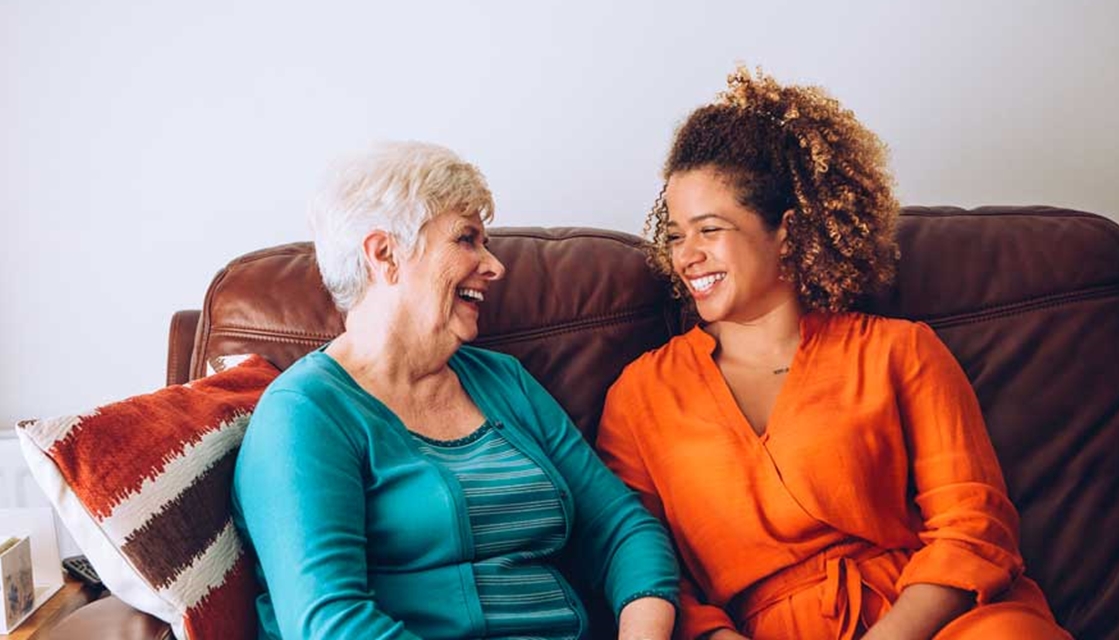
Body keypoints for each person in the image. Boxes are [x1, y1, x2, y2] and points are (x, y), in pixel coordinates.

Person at [596, 68, 1070, 640]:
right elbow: (645, 567)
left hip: (925, 622)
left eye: (710, 230)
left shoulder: (898, 351)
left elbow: (973, 525)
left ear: (787, 233)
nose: (686, 255)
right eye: (675, 235)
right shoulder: (641, 395)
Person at [232, 141, 679, 640]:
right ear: (385, 254)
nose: (495, 266)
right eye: (466, 239)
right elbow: (329, 622)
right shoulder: (305, 413)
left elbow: (622, 529)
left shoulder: (503, 380)